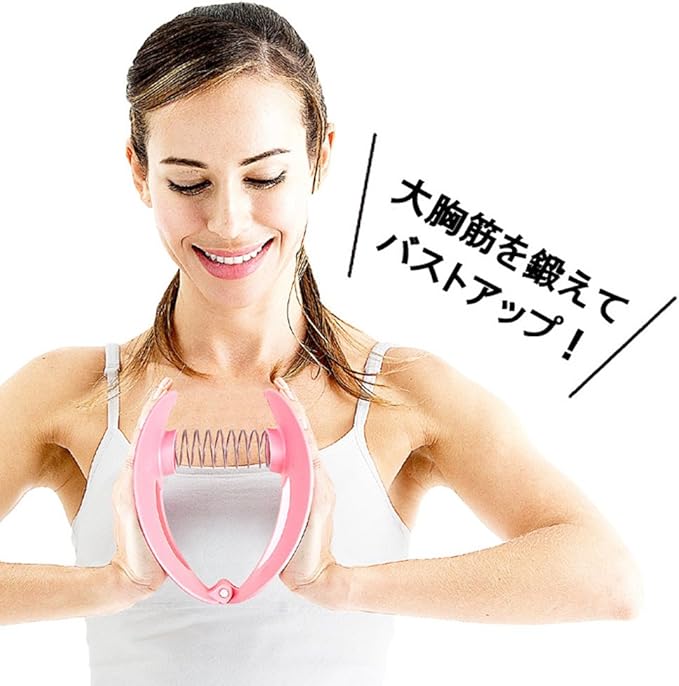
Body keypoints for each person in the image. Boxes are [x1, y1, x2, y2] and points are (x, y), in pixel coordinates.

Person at [0, 3, 643, 684]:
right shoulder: (70, 393)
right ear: (139, 173)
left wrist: (342, 584)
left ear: (319, 157)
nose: (228, 221)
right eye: (188, 182)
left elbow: (607, 577)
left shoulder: (400, 391)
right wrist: (109, 585)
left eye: (265, 177)